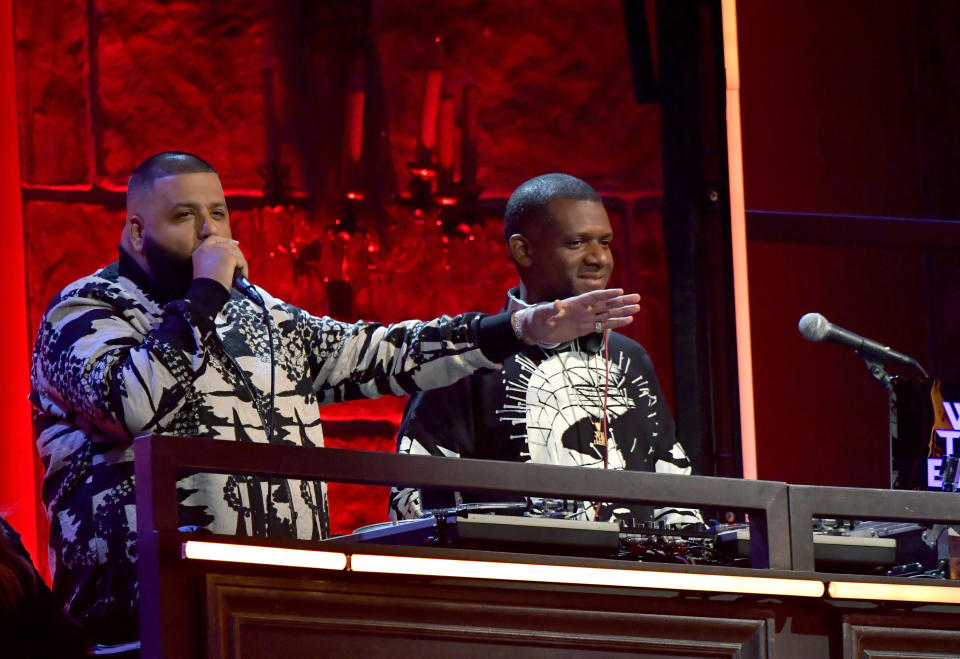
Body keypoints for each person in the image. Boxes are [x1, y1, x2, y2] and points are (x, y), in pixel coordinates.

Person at [29, 153, 640, 650]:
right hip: (142, 620)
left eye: (218, 211)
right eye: (185, 216)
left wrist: (517, 330)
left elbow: (380, 352)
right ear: (136, 229)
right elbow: (133, 404)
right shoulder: (85, 312)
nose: (211, 231)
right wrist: (205, 294)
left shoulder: (262, 316)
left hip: (277, 611)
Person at [390, 173, 700, 525]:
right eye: (577, 243)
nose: (598, 258)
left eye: (606, 242)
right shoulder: (467, 361)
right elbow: (412, 502)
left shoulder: (631, 359)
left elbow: (674, 488)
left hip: (626, 579)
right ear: (523, 250)